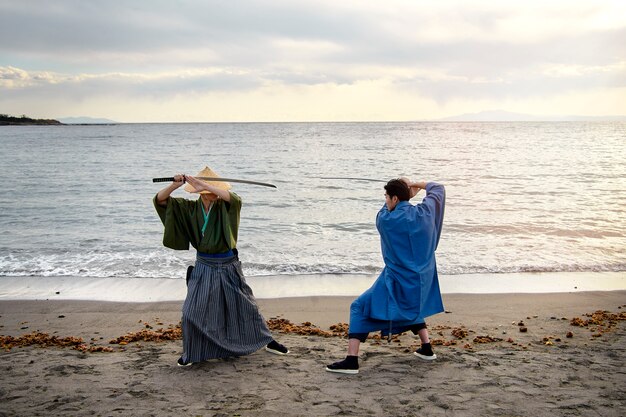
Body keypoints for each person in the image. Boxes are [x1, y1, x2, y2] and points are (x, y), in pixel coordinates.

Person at [153, 166, 289, 366]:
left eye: (212, 191)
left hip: (228, 264)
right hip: (204, 266)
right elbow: (160, 200)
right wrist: (175, 185)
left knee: (246, 306)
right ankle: (191, 352)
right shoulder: (189, 209)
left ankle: (266, 340)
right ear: (200, 194)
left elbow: (233, 198)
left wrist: (206, 185)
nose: (212, 196)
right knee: (191, 312)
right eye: (207, 193)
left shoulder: (226, 206)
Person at [326, 178, 445, 374]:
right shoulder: (425, 213)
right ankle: (426, 347)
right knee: (411, 304)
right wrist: (415, 185)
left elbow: (383, 212)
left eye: (387, 197)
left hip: (397, 279)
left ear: (395, 199)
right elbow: (437, 189)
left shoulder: (387, 220)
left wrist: (405, 193)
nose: (385, 200)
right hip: (423, 279)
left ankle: (351, 360)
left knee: (358, 307)